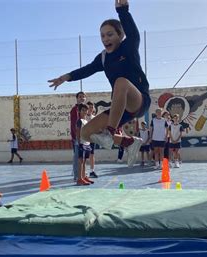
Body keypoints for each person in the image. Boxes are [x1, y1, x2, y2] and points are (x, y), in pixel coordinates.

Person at [48, 0, 148, 168]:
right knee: (85, 134)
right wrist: (66, 77)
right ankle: (129, 142)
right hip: (120, 109)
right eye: (102, 35)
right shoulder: (103, 58)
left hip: (138, 100)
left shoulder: (128, 47)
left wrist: (122, 10)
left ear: (120, 35)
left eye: (110, 34)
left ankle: (110, 132)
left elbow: (134, 34)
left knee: (121, 82)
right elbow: (87, 69)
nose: (105, 39)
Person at [70, 92, 87, 181]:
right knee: (77, 157)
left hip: (84, 138)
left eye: (83, 97)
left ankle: (82, 174)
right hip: (77, 137)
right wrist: (76, 137)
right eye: (80, 97)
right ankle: (77, 175)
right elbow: (74, 124)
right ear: (77, 98)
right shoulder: (75, 110)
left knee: (83, 157)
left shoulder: (84, 110)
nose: (82, 98)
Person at [76, 103, 94, 185]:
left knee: (85, 161)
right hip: (82, 143)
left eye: (86, 110)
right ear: (79, 111)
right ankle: (79, 178)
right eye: (82, 110)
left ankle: (84, 176)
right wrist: (79, 142)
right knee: (81, 161)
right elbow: (78, 131)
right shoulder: (79, 121)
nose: (85, 111)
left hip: (87, 143)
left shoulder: (86, 121)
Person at [86, 101, 98, 178]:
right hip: (84, 139)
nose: (90, 109)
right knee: (83, 156)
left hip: (92, 139)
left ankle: (92, 171)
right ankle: (80, 170)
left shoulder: (94, 118)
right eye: (89, 107)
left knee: (92, 154)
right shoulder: (83, 117)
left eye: (92, 107)